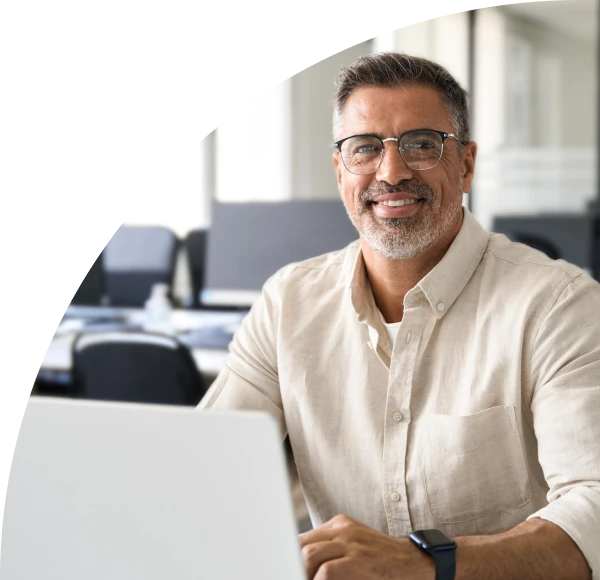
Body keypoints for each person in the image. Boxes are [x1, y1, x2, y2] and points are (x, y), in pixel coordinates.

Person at [198, 52, 599, 580]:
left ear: (467, 165)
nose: (391, 172)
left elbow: (594, 511)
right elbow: (200, 467)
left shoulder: (559, 305)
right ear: (340, 169)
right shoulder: (288, 302)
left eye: (422, 145)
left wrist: (426, 564)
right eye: (365, 148)